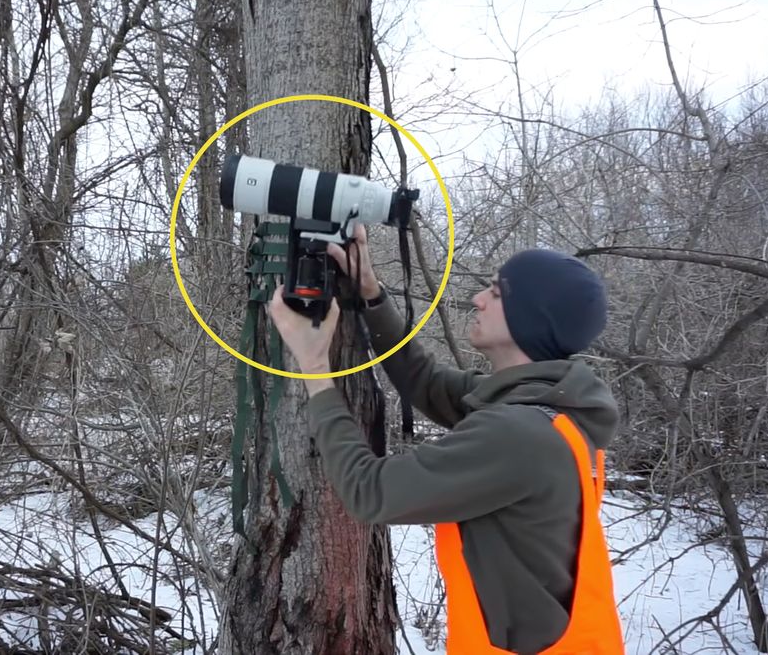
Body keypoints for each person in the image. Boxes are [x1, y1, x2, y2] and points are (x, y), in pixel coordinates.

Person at [267, 224, 626, 654]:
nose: (478, 299)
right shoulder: (553, 407)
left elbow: (370, 491)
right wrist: (370, 292)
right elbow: (425, 381)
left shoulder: (519, 435)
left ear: (530, 317)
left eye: (495, 293)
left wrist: (314, 368)